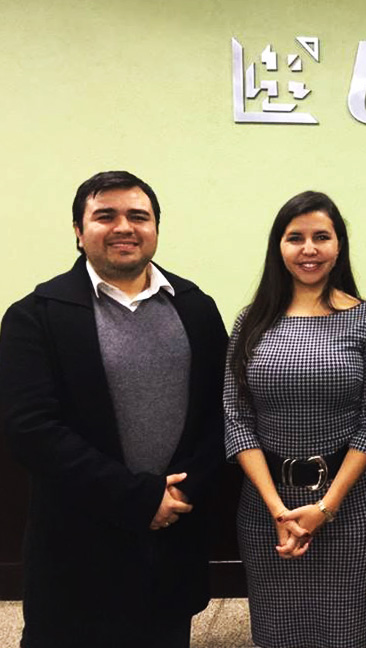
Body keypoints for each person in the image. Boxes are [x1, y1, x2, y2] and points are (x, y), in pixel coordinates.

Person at [0, 171, 227, 647]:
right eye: (105, 216)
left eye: (138, 216)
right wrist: (140, 498)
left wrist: (181, 493)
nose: (124, 227)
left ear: (155, 228)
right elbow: (31, 430)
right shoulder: (35, 315)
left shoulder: (195, 307)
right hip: (77, 544)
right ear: (79, 231)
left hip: (172, 536)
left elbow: (221, 413)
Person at [224, 190, 366, 648]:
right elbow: (236, 418)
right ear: (278, 247)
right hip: (267, 511)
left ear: (339, 246)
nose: (309, 249)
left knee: (346, 634)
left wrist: (325, 508)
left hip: (354, 509)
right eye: (295, 238)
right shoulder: (250, 322)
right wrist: (278, 509)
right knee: (278, 634)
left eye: (321, 237)